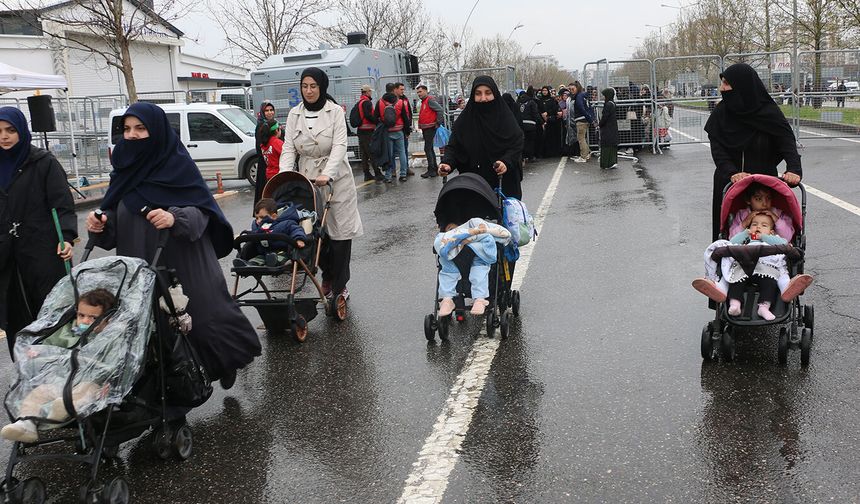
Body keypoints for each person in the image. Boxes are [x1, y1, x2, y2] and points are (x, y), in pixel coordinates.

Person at [85, 102, 261, 391]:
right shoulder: (123, 172)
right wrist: (100, 224)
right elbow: (114, 221)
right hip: (140, 265)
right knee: (152, 331)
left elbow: (203, 213)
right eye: (127, 129)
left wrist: (174, 217)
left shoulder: (177, 165)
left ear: (156, 131)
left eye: (140, 128)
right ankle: (169, 403)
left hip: (185, 261)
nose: (132, 135)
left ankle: (225, 362)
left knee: (204, 321)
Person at [279, 67, 363, 302]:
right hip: (307, 178)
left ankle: (340, 284)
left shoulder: (334, 111)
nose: (309, 91)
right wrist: (284, 175)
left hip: (336, 179)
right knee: (315, 234)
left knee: (339, 235)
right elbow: (288, 148)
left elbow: (339, 146)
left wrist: (327, 173)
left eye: (313, 86)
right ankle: (326, 276)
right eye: (305, 86)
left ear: (322, 87)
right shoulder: (294, 114)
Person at [0, 107, 76, 354]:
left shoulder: (43, 162)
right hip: (7, 257)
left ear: (21, 130)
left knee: (49, 313)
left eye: (10, 130)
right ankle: (25, 374)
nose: (4, 136)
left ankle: (56, 372)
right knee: (15, 316)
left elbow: (62, 204)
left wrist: (65, 237)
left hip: (42, 251)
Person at [1, 289, 116, 442]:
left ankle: (64, 407)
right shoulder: (68, 330)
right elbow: (50, 343)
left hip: (92, 381)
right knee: (39, 392)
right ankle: (25, 423)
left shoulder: (110, 338)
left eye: (93, 317)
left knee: (86, 390)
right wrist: (37, 351)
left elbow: (115, 363)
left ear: (108, 319)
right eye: (81, 315)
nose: (85, 321)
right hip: (62, 378)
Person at [704, 63, 802, 241]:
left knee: (767, 229)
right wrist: (732, 173)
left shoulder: (768, 112)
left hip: (763, 183)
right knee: (727, 231)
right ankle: (724, 266)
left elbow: (786, 142)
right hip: (729, 182)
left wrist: (794, 169)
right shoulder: (721, 113)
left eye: (726, 83)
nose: (721, 88)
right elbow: (718, 151)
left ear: (742, 86)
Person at [693, 212, 813, 320]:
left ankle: (764, 307)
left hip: (766, 267)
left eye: (764, 225)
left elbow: (784, 244)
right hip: (744, 266)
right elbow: (732, 242)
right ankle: (735, 304)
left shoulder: (773, 239)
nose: (758, 227)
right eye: (754, 224)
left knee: (769, 283)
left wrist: (764, 237)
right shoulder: (746, 239)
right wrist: (745, 233)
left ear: (771, 231)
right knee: (735, 281)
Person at [439, 76, 525, 199]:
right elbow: (454, 147)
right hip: (474, 188)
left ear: (495, 94)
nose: (483, 98)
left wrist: (506, 161)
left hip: (504, 185)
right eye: (478, 94)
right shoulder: (465, 121)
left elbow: (517, 143)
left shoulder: (505, 118)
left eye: (488, 93)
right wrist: (447, 163)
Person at [435, 218, 511, 317]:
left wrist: (472, 233)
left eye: (453, 228)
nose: (452, 230)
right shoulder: (446, 235)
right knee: (447, 272)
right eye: (449, 229)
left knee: (479, 271)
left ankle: (479, 299)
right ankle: (447, 299)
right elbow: (442, 241)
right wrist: (455, 237)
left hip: (476, 252)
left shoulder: (472, 223)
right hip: (453, 256)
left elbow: (497, 233)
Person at [238, 198, 307, 266]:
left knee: (278, 257)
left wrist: (299, 239)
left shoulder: (286, 224)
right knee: (257, 259)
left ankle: (274, 261)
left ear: (274, 216)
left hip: (282, 251)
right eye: (256, 218)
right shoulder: (257, 227)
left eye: (262, 217)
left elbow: (296, 230)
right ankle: (248, 264)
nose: (258, 221)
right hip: (264, 253)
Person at [728, 182, 794, 241]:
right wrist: (744, 224)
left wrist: (777, 220)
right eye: (759, 199)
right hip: (747, 249)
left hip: (772, 250)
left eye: (768, 198)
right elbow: (732, 238)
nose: (764, 204)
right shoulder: (742, 215)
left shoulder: (779, 214)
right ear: (748, 200)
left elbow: (787, 238)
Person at [380, 92, 409, 182]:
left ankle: (388, 175)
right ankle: (403, 174)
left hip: (388, 132)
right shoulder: (400, 104)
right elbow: (405, 118)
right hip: (399, 131)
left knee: (389, 154)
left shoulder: (382, 104)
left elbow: (377, 116)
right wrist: (407, 131)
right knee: (402, 153)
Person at [416, 84, 444, 178]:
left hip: (430, 128)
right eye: (417, 92)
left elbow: (440, 110)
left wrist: (438, 123)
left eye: (420, 91)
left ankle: (431, 170)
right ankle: (433, 169)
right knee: (429, 148)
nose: (418, 94)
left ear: (425, 91)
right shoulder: (425, 101)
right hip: (427, 128)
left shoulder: (429, 100)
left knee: (428, 149)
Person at [356, 84, 383, 182]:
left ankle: (366, 173)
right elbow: (368, 115)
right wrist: (377, 121)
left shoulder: (360, 102)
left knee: (364, 153)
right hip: (367, 131)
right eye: (370, 91)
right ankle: (377, 173)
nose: (370, 93)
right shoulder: (367, 102)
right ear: (367, 92)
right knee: (371, 152)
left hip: (361, 130)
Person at [254, 101, 277, 205]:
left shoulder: (275, 124)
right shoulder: (260, 126)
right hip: (265, 164)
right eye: (266, 110)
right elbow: (260, 147)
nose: (269, 112)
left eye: (271, 110)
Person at [393, 82, 415, 176]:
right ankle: (392, 170)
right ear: (395, 89)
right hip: (394, 129)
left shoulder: (405, 99)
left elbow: (408, 114)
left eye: (403, 89)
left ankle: (406, 168)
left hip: (403, 128)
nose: (403, 91)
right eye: (401, 89)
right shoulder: (391, 99)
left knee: (404, 149)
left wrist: (408, 127)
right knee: (393, 151)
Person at [571, 81, 596, 163]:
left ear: (577, 88)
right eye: (570, 89)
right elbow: (589, 108)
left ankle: (584, 156)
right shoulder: (584, 96)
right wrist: (591, 118)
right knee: (583, 138)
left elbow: (581, 108)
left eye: (572, 89)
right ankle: (587, 153)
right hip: (585, 119)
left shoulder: (579, 96)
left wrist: (588, 118)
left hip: (581, 120)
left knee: (581, 138)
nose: (571, 90)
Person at [516, 87, 543, 162]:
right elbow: (535, 114)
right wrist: (542, 122)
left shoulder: (518, 102)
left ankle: (522, 157)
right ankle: (530, 156)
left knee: (522, 141)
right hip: (530, 124)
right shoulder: (531, 102)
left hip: (520, 125)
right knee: (530, 141)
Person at [598, 88, 619, 169]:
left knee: (606, 145)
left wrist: (600, 124)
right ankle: (613, 161)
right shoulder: (612, 103)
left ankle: (606, 163)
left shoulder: (608, 105)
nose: (603, 97)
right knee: (612, 145)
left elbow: (605, 117)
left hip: (607, 128)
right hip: (612, 127)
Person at [539, 85, 562, 158]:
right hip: (542, 121)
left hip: (551, 121)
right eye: (543, 91)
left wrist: (548, 113)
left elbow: (555, 109)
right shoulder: (540, 100)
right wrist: (542, 115)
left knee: (552, 137)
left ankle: (554, 152)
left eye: (546, 90)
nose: (544, 92)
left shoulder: (552, 100)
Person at [258, 119, 283, 184]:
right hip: (279, 174)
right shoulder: (277, 142)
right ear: (276, 130)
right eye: (279, 129)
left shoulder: (263, 144)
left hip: (269, 175)